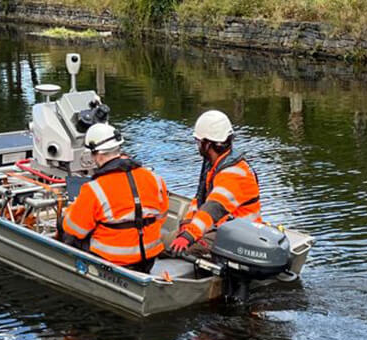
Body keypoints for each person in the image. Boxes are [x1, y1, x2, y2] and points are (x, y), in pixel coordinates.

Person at [60, 123, 169, 273]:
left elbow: (74, 229)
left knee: (66, 229)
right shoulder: (154, 179)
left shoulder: (94, 189)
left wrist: (70, 211)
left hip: (113, 260)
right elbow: (162, 216)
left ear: (97, 154)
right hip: (148, 258)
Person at [168, 110, 261, 256]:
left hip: (238, 236)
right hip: (222, 228)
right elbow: (200, 200)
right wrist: (186, 223)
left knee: (172, 249)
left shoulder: (232, 174)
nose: (197, 146)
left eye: (198, 142)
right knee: (170, 240)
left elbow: (213, 208)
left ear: (207, 144)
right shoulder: (215, 164)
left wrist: (188, 236)